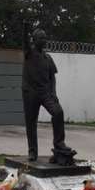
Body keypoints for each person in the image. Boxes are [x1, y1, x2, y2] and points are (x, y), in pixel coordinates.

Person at [21, 23, 73, 162]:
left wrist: (54, 93)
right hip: (30, 93)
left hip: (45, 92)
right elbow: (25, 42)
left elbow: (52, 78)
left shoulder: (48, 58)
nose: (44, 41)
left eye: (45, 38)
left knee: (58, 112)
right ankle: (32, 151)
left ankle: (59, 144)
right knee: (31, 122)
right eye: (41, 38)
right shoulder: (29, 53)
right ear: (35, 40)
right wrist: (25, 28)